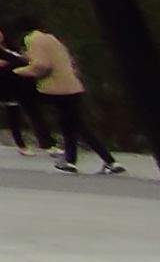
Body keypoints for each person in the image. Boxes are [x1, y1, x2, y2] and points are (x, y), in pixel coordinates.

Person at [16, 25, 125, 174]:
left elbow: (42, 65)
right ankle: (72, 161)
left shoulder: (32, 39)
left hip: (57, 89)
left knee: (75, 125)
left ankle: (108, 161)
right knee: (71, 125)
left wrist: (19, 71)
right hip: (72, 86)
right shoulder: (52, 40)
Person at [0, 23, 54, 154]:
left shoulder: (12, 47)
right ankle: (21, 145)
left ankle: (47, 143)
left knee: (35, 113)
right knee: (13, 115)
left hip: (25, 85)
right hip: (9, 87)